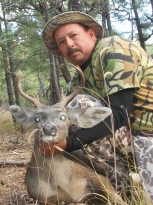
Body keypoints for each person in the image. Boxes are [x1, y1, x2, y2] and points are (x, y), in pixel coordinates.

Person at [40, 11, 153, 202]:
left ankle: (125, 182)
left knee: (78, 106)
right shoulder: (77, 82)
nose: (69, 44)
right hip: (130, 138)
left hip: (147, 134)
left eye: (73, 36)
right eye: (61, 42)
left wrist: (68, 144)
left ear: (91, 34)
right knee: (65, 117)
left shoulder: (113, 50)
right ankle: (122, 183)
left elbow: (119, 113)